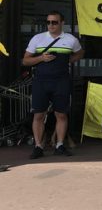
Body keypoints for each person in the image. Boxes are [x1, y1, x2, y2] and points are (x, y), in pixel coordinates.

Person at [22, 11, 84, 159]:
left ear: (62, 23)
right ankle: (38, 147)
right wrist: (41, 58)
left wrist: (68, 60)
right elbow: (25, 61)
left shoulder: (70, 39)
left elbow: (81, 52)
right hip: (41, 81)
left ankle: (60, 145)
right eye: (49, 22)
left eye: (54, 22)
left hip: (61, 81)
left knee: (61, 114)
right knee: (38, 114)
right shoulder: (38, 38)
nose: (51, 25)